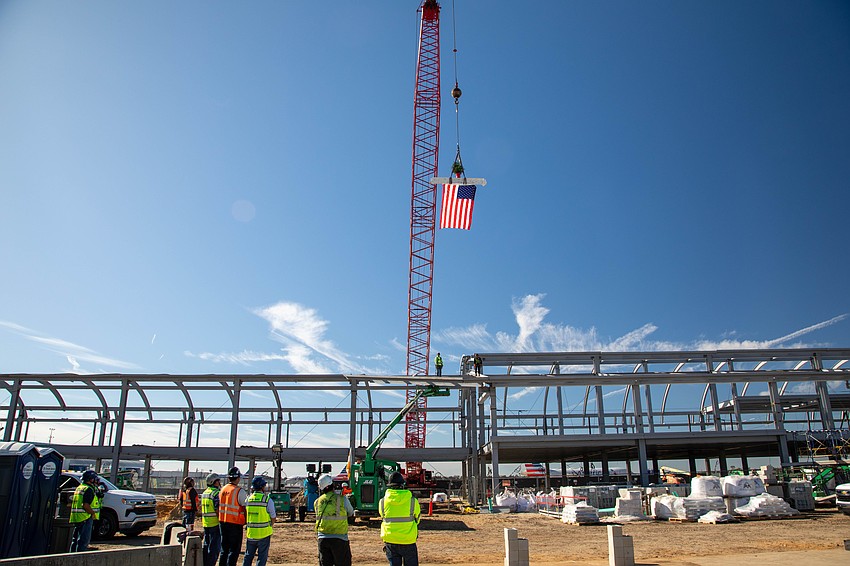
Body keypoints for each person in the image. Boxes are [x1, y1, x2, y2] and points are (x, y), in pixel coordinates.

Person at [378, 471, 421, 566]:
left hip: (390, 540)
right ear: (402, 485)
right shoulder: (413, 501)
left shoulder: (382, 502)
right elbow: (417, 519)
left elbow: (382, 517)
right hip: (408, 540)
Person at [315, 473, 354, 566]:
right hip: (339, 538)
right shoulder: (341, 499)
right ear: (331, 484)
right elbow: (351, 512)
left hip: (323, 538)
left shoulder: (317, 502)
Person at [243, 476, 275, 566]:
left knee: (248, 556)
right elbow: (273, 516)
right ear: (262, 487)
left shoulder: (248, 499)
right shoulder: (267, 500)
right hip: (264, 534)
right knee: (261, 558)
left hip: (251, 533)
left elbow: (245, 513)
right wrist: (270, 525)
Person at [219, 467, 247, 566]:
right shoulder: (239, 491)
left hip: (222, 522)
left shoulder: (223, 489)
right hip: (235, 524)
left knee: (224, 549)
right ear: (238, 478)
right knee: (234, 550)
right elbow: (244, 507)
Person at [69, 470, 101, 552]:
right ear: (91, 479)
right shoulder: (88, 489)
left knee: (75, 541)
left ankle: (72, 557)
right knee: (83, 541)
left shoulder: (80, 487)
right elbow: (86, 505)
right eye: (95, 479)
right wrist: (93, 513)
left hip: (77, 518)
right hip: (85, 518)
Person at [200, 473, 223, 566]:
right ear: (213, 482)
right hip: (215, 524)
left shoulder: (205, 493)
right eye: (218, 481)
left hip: (206, 523)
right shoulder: (216, 493)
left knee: (206, 546)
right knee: (214, 549)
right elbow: (217, 509)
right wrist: (222, 520)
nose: (219, 483)